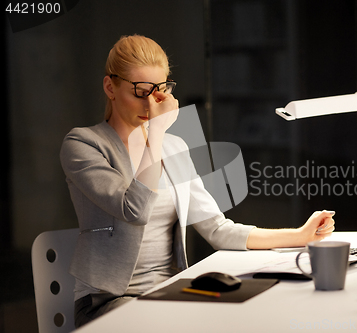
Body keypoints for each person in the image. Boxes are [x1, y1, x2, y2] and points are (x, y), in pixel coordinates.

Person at [60, 34, 335, 328]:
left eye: (159, 91)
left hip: (167, 294)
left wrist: (300, 235)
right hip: (107, 302)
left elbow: (218, 230)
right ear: (110, 87)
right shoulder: (84, 144)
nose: (151, 104)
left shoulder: (174, 145)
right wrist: (156, 133)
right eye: (140, 92)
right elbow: (134, 211)